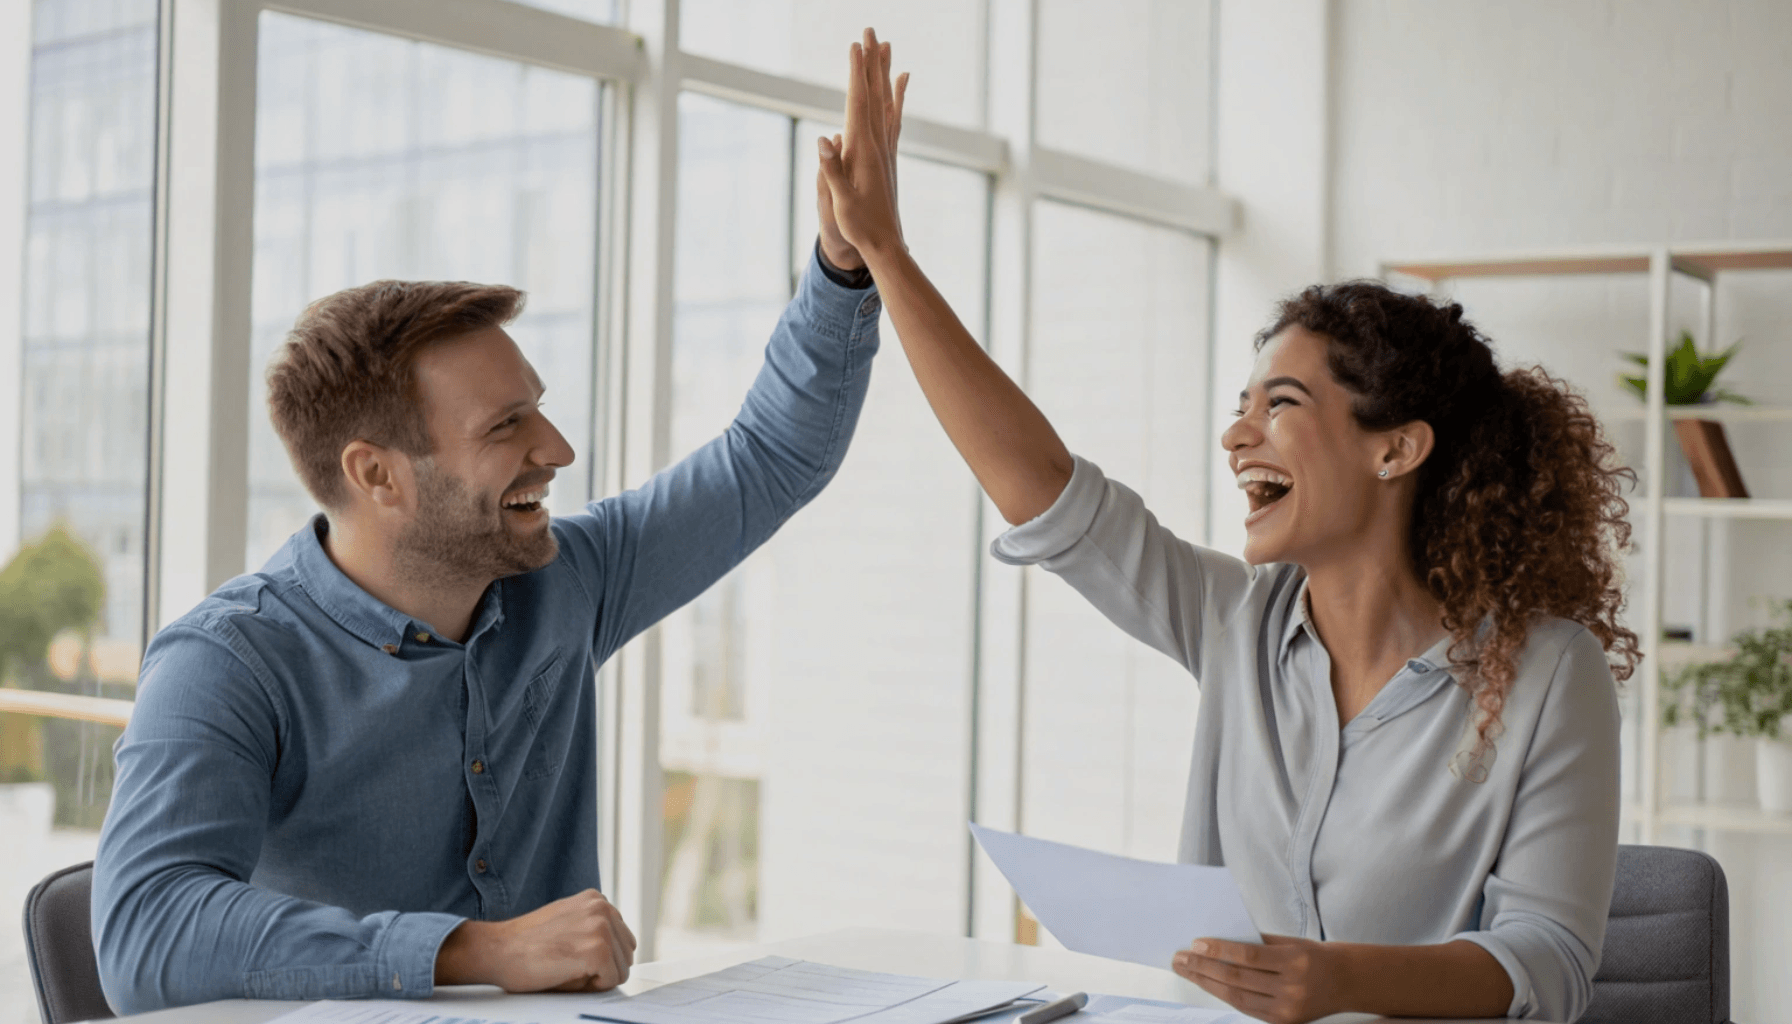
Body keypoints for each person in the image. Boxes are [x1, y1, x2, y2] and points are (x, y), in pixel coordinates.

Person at [817, 29, 1638, 1024]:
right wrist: (883, 255)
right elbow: (1044, 490)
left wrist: (1339, 982)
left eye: (1279, 405)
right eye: (1241, 404)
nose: (1235, 433)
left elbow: (1547, 962)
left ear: (1395, 449)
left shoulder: (1549, 674)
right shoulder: (1236, 621)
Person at [91, 211, 887, 1008]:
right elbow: (146, 930)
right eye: (507, 426)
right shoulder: (227, 663)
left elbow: (769, 458)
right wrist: (477, 951)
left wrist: (843, 264)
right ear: (377, 475)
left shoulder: (566, 580)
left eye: (535, 407)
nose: (558, 449)